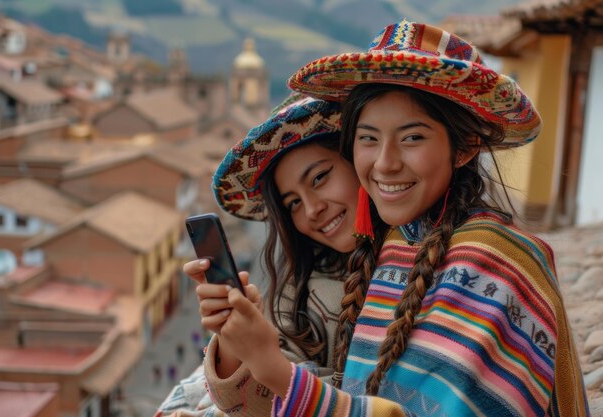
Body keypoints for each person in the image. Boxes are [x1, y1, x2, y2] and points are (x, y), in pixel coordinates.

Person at [212, 20, 590, 416]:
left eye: (412, 137)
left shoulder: (495, 263)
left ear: (465, 147)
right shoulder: (399, 247)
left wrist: (273, 367)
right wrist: (238, 344)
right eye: (368, 138)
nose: (385, 164)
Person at [155, 95, 360, 417]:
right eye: (292, 202)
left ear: (360, 159)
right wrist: (233, 341)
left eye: (320, 178)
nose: (312, 209)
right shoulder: (299, 293)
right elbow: (255, 404)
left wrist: (267, 360)